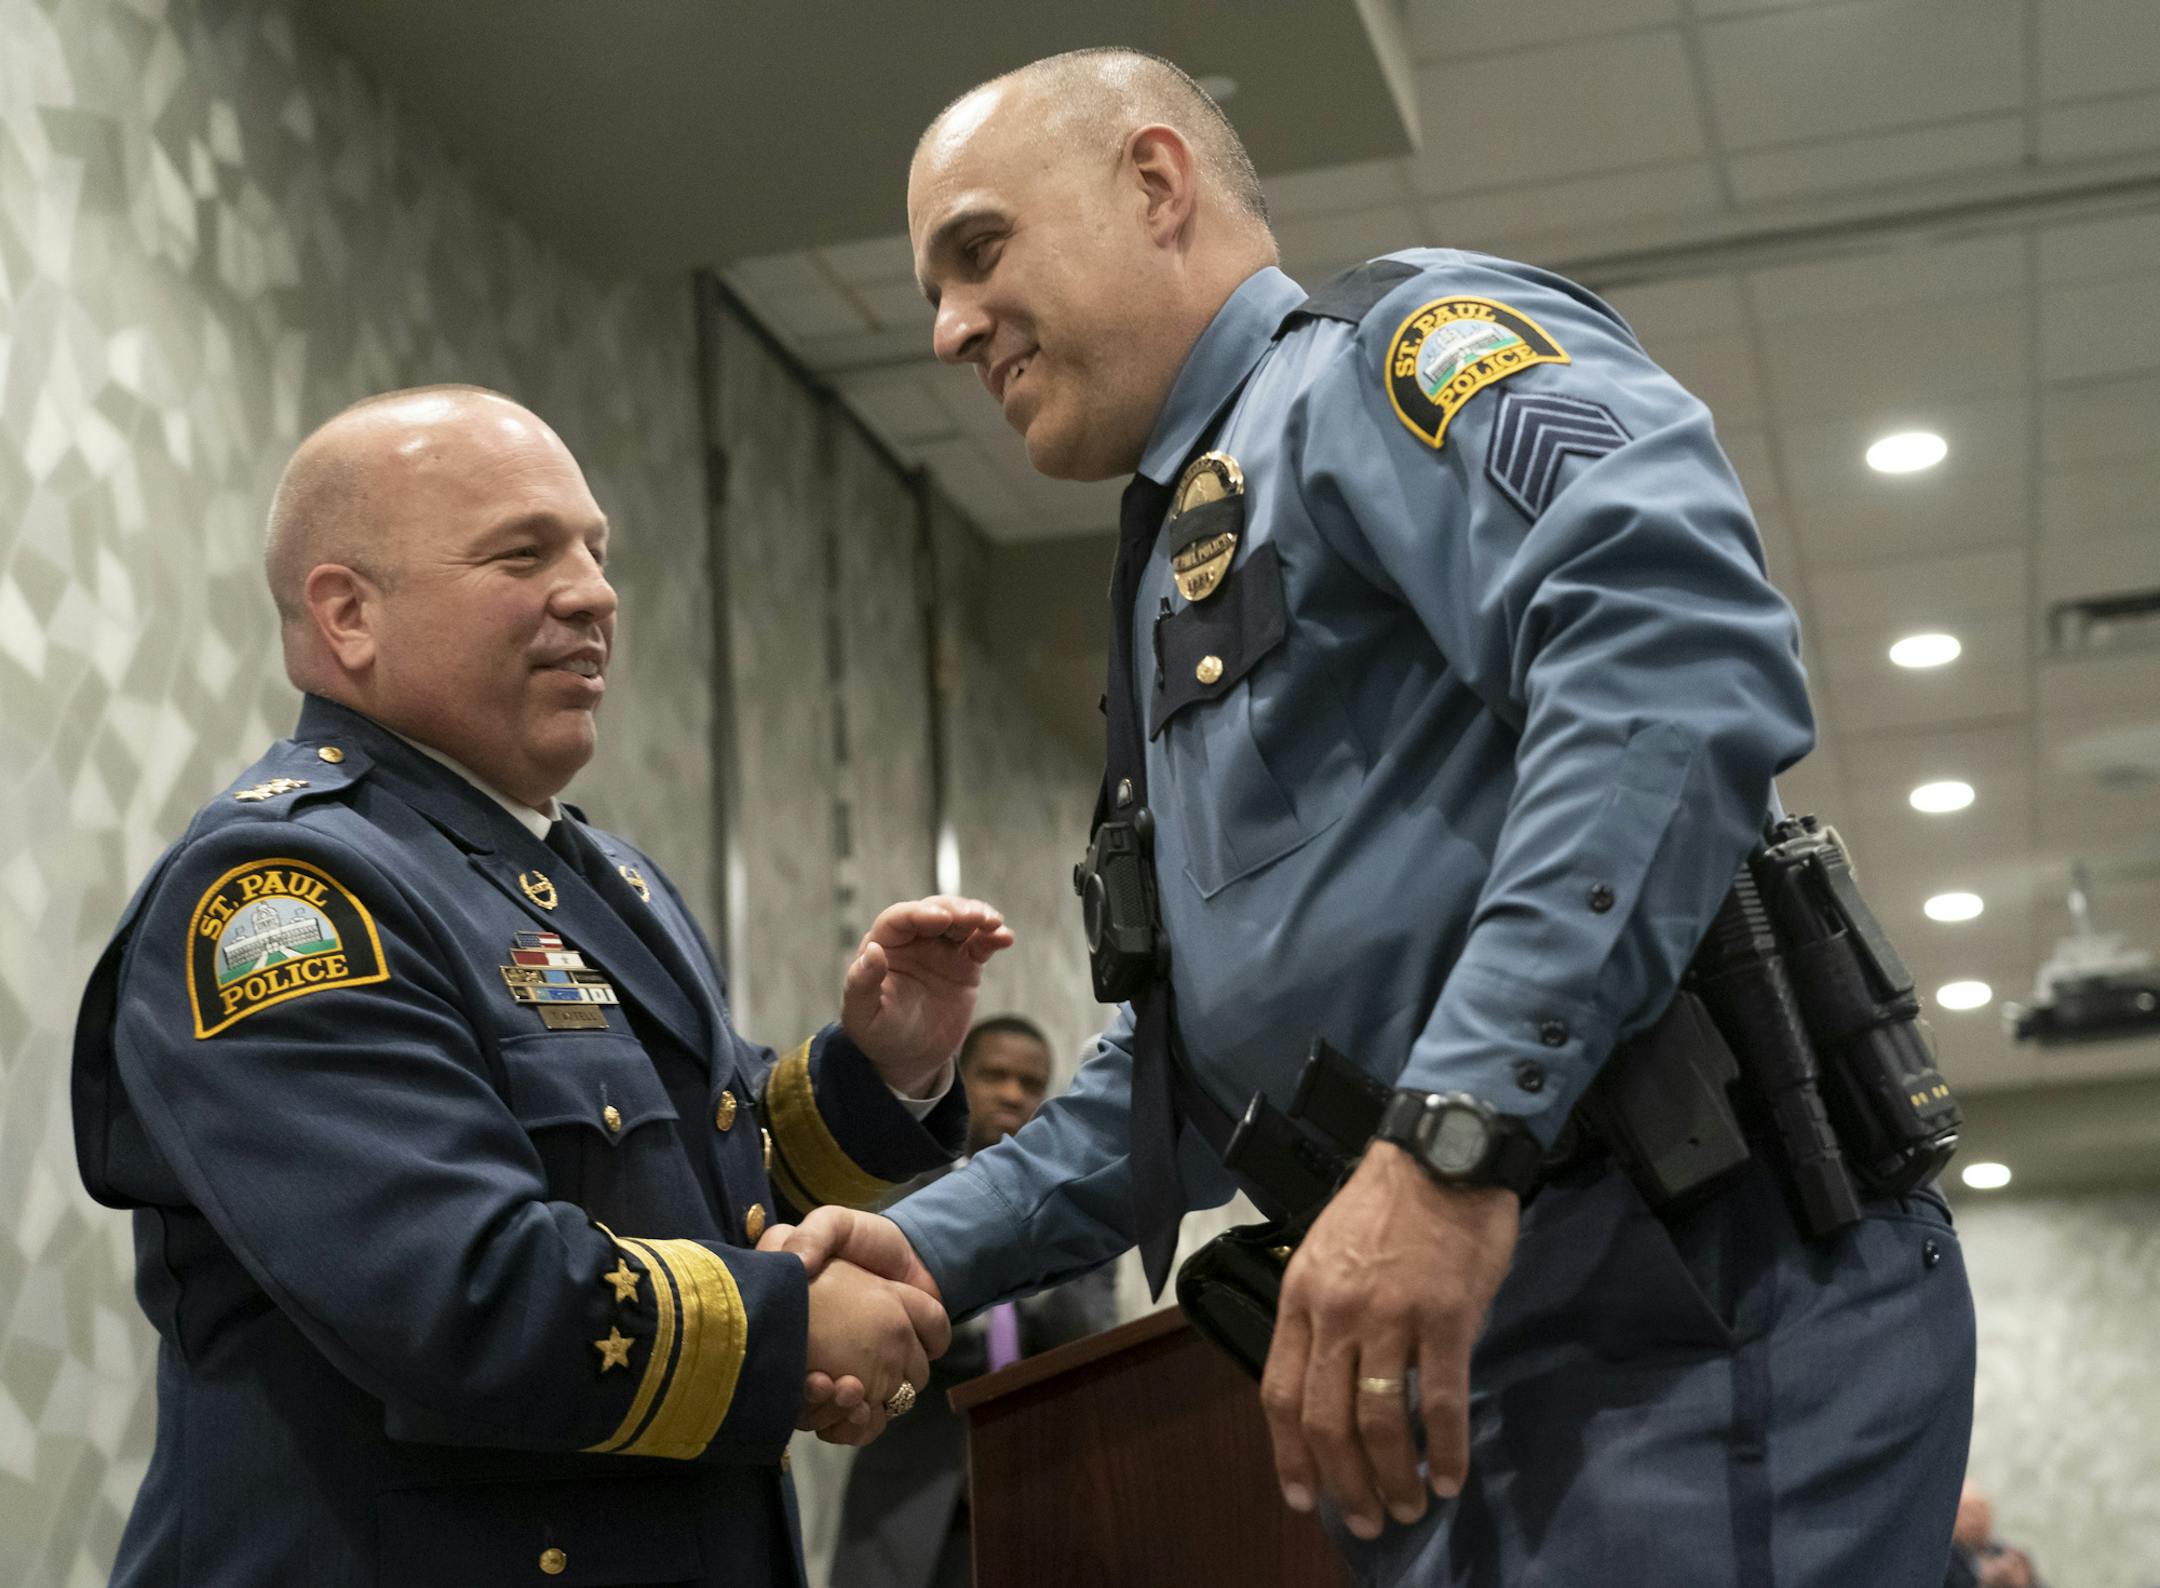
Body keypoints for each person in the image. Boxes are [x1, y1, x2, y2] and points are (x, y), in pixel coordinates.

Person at [769, 47, 1977, 1586]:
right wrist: (931, 1244)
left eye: (978, 251)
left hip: (1682, 1306)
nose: (944, 329)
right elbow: (1193, 1072)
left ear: (1155, 182)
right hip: (1456, 1369)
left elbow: (1671, 658)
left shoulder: (1394, 356)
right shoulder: (1179, 550)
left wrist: (1449, 1146)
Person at [70, 385, 1012, 1588]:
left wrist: (877, 1071)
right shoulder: (281, 892)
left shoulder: (599, 874)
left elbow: (695, 1164)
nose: (595, 592)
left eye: (596, 552)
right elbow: (456, 1289)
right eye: (524, 553)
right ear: (348, 613)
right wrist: (794, 1328)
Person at [829, 1017, 1119, 1588]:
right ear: (963, 1079)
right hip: (911, 1486)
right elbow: (884, 1325)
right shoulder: (903, 1184)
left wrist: (1040, 1239)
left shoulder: (1080, 1202)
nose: (1013, 1094)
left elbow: (1086, 1329)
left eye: (1032, 1084)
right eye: (996, 1075)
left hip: (1035, 1484)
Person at [1946, 1482, 2046, 1588]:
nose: (1978, 1520)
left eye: (1982, 1511)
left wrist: (2027, 1582)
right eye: (1969, 1513)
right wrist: (1979, 1575)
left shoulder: (2003, 1553)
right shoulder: (1947, 1558)